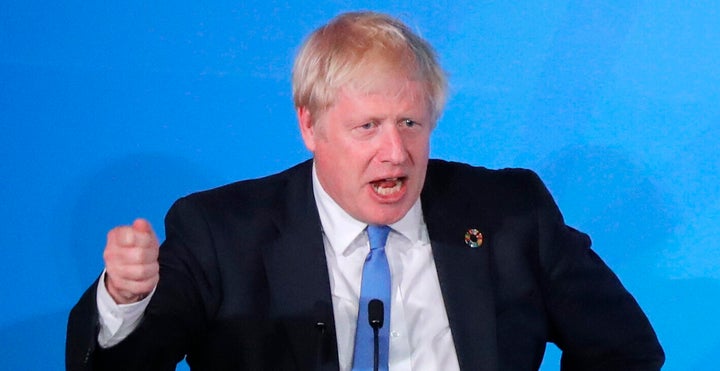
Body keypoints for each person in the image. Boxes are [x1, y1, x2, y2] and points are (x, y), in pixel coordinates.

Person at [66, 11, 664, 371]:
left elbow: (627, 351)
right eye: (367, 127)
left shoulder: (510, 213)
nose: (396, 153)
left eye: (411, 123)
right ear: (310, 125)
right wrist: (124, 299)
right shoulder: (221, 232)